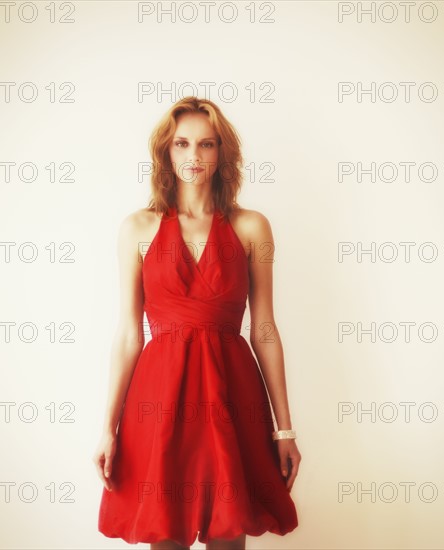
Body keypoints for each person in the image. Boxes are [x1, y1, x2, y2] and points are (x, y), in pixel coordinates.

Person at [93, 96, 301, 550]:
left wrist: (283, 429)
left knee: (229, 534)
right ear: (166, 152)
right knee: (164, 533)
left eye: (206, 145)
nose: (193, 156)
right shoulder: (138, 228)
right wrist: (108, 427)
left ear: (222, 153)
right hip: (159, 400)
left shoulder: (252, 228)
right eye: (182, 144)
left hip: (231, 397)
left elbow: (264, 328)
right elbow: (129, 333)